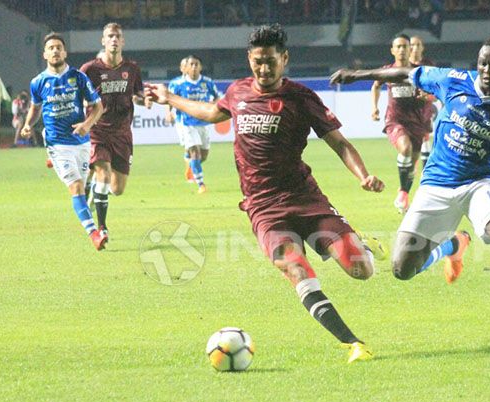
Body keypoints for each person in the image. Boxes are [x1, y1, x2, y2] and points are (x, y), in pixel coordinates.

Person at [145, 24, 385, 362]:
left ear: (284, 59)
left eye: (271, 61)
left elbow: (340, 143)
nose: (264, 68)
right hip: (264, 208)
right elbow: (211, 113)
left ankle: (360, 243)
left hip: (305, 198)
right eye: (258, 61)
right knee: (296, 269)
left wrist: (364, 175)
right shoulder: (238, 92)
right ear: (249, 59)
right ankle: (353, 343)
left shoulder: (301, 98)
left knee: (361, 269)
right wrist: (168, 97)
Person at [330, 37, 490, 344]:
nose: (487, 69)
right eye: (482, 62)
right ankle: (453, 246)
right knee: (402, 269)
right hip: (436, 184)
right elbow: (405, 73)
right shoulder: (453, 80)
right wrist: (355, 76)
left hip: (481, 186)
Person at [21, 32, 107, 250]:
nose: (55, 50)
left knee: (85, 183)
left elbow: (98, 106)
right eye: (51, 47)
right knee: (76, 186)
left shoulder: (78, 77)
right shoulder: (38, 82)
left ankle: (54, 161)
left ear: (65, 52)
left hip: (81, 141)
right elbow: (35, 107)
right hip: (57, 142)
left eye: (59, 47)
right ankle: (94, 234)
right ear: (45, 54)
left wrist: (87, 125)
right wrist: (28, 124)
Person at [80, 22, 150, 239]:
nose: (113, 39)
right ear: (103, 40)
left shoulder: (132, 69)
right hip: (98, 131)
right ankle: (102, 227)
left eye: (117, 36)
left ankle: (94, 190)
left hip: (122, 134)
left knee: (117, 189)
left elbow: (138, 94)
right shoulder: (89, 69)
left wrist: (145, 99)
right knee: (104, 173)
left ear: (122, 41)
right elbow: (77, 96)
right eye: (109, 36)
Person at [371, 33, 432, 214]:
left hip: (417, 122)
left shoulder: (418, 71)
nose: (402, 50)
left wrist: (427, 95)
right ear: (392, 50)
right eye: (398, 47)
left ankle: (403, 193)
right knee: (404, 148)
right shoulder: (387, 70)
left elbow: (431, 92)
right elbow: (376, 85)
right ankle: (403, 194)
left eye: (405, 46)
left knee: (412, 162)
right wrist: (374, 108)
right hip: (395, 120)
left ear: (410, 49)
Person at [165, 55, 222, 193]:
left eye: (197, 64)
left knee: (203, 156)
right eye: (191, 64)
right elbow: (169, 99)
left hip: (203, 122)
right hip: (186, 123)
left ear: (201, 67)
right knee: (195, 153)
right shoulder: (177, 84)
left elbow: (217, 97)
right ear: (186, 67)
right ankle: (201, 184)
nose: (194, 67)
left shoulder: (207, 82)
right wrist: (169, 112)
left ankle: (188, 161)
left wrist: (214, 106)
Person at [408, 35, 437, 172]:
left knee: (424, 138)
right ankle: (410, 168)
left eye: (418, 45)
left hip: (424, 109)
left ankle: (425, 173)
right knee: (410, 142)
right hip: (405, 109)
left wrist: (430, 96)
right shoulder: (403, 65)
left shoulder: (428, 65)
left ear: (422, 47)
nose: (414, 48)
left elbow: (436, 88)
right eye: (412, 45)